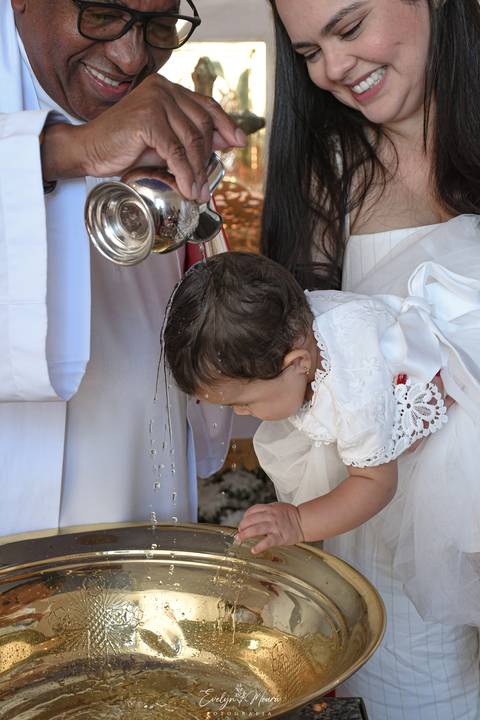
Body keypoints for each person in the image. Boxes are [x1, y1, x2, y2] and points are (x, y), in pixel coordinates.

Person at [259, 0, 480, 718]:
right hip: (386, 527)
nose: (332, 68)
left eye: (349, 28)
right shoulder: (330, 177)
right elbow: (308, 377)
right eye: (308, 53)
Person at [0, 0, 245, 539]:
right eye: (102, 13)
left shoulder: (149, 107)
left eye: (158, 26)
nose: (131, 57)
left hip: (131, 480)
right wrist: (65, 152)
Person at [164, 248, 480, 612]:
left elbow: (376, 485)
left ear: (297, 363)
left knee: (455, 548)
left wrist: (299, 523)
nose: (241, 412)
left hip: (458, 431)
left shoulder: (353, 393)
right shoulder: (293, 324)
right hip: (379, 381)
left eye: (246, 403)